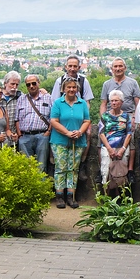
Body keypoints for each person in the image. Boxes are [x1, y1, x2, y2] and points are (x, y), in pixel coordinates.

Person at [49, 79, 91, 209]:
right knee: (61, 168)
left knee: (73, 168)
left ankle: (71, 196)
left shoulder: (82, 103)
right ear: (64, 89)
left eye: (74, 87)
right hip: (60, 140)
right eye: (69, 87)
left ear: (77, 89)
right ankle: (60, 196)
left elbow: (86, 120)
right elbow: (54, 121)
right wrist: (67, 133)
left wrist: (79, 132)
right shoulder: (58, 103)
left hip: (78, 140)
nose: (71, 90)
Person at [15, 74, 53, 173]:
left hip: (42, 135)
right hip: (25, 137)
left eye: (33, 83)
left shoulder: (48, 98)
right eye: (28, 85)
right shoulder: (21, 99)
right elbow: (17, 119)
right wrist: (20, 135)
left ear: (38, 83)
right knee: (26, 166)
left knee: (41, 166)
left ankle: (40, 188)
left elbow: (54, 117)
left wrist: (48, 132)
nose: (31, 86)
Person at [98, 89, 133, 196]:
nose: (113, 103)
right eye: (112, 100)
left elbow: (129, 133)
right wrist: (109, 149)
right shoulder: (105, 116)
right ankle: (106, 199)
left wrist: (122, 149)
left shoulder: (126, 116)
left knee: (120, 174)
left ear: (121, 102)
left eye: (116, 100)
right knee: (106, 173)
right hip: (107, 148)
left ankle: (121, 199)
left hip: (122, 148)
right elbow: (101, 133)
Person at [0, 71, 23, 148]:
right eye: (12, 84)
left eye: (17, 85)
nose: (14, 87)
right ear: (5, 83)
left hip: (14, 137)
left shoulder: (20, 97)